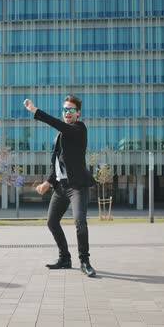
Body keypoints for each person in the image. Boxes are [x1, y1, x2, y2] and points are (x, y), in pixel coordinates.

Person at [23, 95, 97, 277]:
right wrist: (48, 182)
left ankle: (85, 261)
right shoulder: (59, 137)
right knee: (51, 222)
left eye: (71, 110)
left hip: (77, 186)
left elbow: (60, 125)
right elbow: (55, 162)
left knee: (80, 221)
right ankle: (65, 258)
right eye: (65, 110)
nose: (67, 113)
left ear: (77, 113)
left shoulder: (79, 129)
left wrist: (35, 111)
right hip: (61, 187)